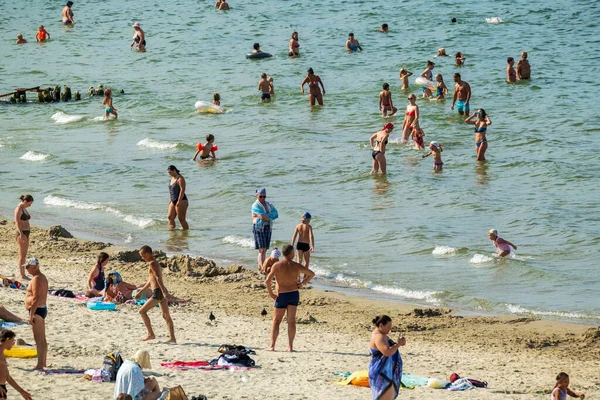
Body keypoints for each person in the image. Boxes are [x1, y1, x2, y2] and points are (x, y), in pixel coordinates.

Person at [265, 245, 315, 351]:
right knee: (291, 321)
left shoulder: (277, 265)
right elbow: (311, 274)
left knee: (276, 321)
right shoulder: (296, 266)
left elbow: (268, 280)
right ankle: (290, 346)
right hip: (293, 294)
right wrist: (302, 284)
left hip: (281, 295)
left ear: (283, 254)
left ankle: (272, 346)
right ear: (291, 254)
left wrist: (271, 293)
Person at [136, 246, 176, 343]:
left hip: (158, 292)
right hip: (159, 291)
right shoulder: (153, 263)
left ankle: (151, 334)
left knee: (142, 311)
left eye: (142, 255)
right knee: (166, 315)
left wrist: (164, 292)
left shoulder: (152, 263)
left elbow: (158, 278)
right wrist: (141, 291)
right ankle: (172, 338)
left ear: (148, 254)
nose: (142, 258)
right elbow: (150, 281)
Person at [369, 315, 405, 400]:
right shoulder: (379, 337)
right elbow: (387, 352)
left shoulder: (381, 334)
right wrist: (398, 344)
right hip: (382, 372)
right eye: (388, 326)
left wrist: (399, 344)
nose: (390, 329)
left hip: (385, 371)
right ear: (381, 325)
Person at [23, 258, 48, 370]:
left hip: (37, 310)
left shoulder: (37, 279)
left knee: (38, 339)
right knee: (42, 338)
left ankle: (39, 364)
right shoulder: (41, 277)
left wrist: (31, 314)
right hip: (41, 309)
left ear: (34, 267)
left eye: (27, 267)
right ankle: (43, 362)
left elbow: (36, 297)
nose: (26, 269)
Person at [0, 330, 32, 400]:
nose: (14, 343)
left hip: (2, 387)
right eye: (13, 340)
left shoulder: (2, 354)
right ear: (7, 339)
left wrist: (22, 391)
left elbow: (7, 377)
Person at [252, 188, 279, 269]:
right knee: (262, 249)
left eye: (264, 196)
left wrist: (267, 216)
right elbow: (262, 217)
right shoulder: (255, 205)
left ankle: (260, 266)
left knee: (265, 249)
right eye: (260, 196)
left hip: (268, 227)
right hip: (259, 228)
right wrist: (269, 215)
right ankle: (263, 268)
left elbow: (276, 214)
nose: (262, 198)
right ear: (257, 196)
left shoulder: (269, 204)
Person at [14, 195, 33, 280]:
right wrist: (21, 234)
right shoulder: (19, 209)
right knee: (22, 255)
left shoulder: (23, 208)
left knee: (24, 255)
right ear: (25, 201)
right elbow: (17, 222)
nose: (30, 205)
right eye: (29, 203)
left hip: (26, 232)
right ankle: (22, 275)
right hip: (22, 233)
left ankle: (23, 274)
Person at [167, 165, 189, 230]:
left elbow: (182, 190)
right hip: (173, 200)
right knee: (170, 217)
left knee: (181, 218)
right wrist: (171, 199)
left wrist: (179, 201)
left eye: (170, 172)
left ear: (174, 170)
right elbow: (172, 190)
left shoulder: (180, 178)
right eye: (168, 173)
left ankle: (185, 233)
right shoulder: (172, 178)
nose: (170, 174)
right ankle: (172, 232)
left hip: (181, 200)